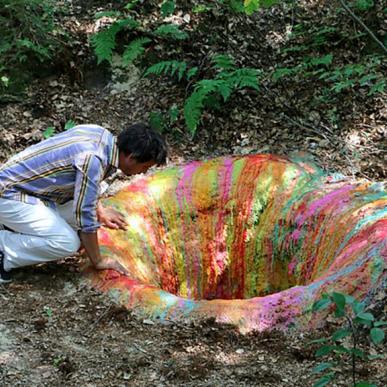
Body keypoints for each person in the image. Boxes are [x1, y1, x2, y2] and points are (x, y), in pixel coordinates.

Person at [0, 123, 167, 283]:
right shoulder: (93, 160)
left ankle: (11, 227)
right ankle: (4, 249)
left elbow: (85, 187)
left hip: (31, 190)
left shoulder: (101, 135)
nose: (143, 171)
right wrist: (99, 261)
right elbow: (85, 217)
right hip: (9, 193)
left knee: (85, 225)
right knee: (67, 243)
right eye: (145, 166)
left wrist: (100, 211)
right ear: (131, 157)